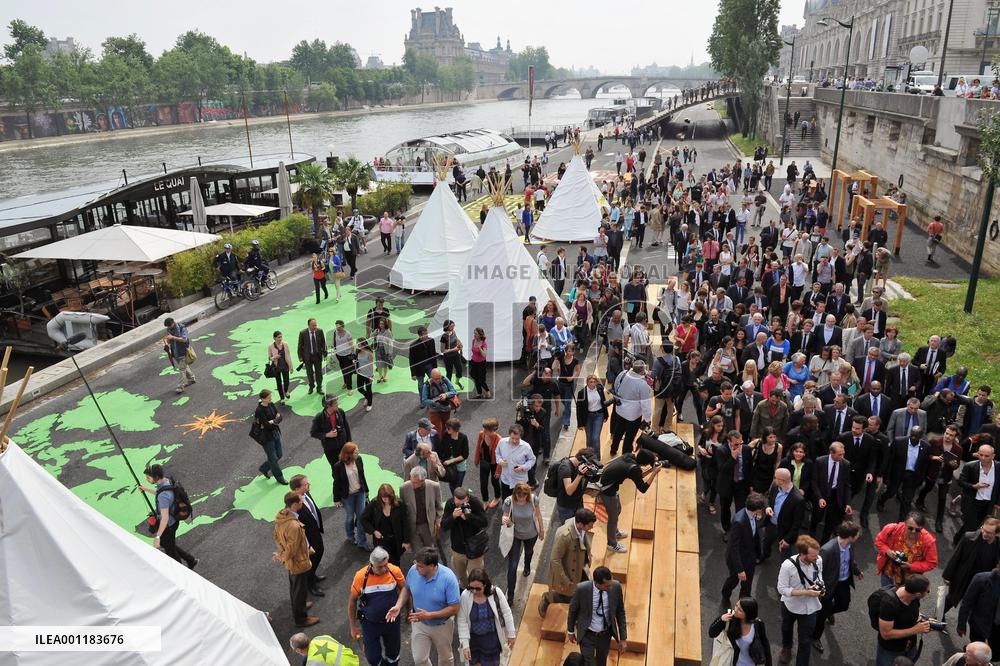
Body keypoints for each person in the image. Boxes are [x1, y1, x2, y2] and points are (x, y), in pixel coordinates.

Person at [387, 547, 461, 666]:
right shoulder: (413, 570)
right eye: (416, 564)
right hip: (419, 623)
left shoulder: (448, 578)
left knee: (446, 658)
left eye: (420, 566)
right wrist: (398, 605)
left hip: (442, 626)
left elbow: (455, 608)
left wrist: (429, 615)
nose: (416, 568)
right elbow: (407, 588)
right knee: (420, 660)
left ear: (432, 566)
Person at [811, 521, 863, 653]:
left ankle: (829, 612)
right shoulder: (827, 550)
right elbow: (817, 570)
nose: (859, 536)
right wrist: (818, 588)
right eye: (857, 535)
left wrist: (857, 571)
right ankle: (815, 637)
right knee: (822, 614)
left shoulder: (850, 545)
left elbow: (851, 560)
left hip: (843, 582)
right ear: (850, 536)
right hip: (829, 585)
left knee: (844, 604)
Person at [349, 547, 405, 666]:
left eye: (386, 564)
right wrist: (353, 627)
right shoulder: (360, 577)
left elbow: (405, 590)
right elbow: (352, 602)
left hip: (392, 623)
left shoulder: (394, 571)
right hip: (370, 625)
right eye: (380, 566)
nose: (384, 569)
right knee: (373, 658)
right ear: (371, 564)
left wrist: (409, 610)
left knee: (394, 654)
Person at [599, 448, 662, 553]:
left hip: (611, 486)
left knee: (618, 509)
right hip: (607, 490)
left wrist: (651, 470)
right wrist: (654, 473)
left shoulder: (629, 457)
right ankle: (612, 543)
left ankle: (614, 532)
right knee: (613, 517)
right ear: (645, 462)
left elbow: (637, 476)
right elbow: (643, 488)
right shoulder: (633, 468)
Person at [539, 508, 597, 618]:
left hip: (581, 567)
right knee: (568, 596)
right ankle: (548, 598)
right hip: (570, 572)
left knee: (582, 591)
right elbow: (555, 560)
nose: (592, 527)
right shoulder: (564, 536)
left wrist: (588, 555)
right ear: (580, 524)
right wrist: (565, 579)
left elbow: (584, 541)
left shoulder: (580, 527)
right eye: (589, 525)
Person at [273, 491, 319, 627]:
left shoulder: (282, 516)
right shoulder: (293, 526)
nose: (302, 502)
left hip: (293, 562)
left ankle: (302, 605)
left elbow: (276, 536)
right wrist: (281, 557)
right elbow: (291, 550)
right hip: (298, 562)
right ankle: (301, 619)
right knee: (298, 590)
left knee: (296, 588)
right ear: (294, 505)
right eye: (300, 501)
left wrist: (281, 555)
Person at [776, 535, 823, 666]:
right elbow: (782, 589)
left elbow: (819, 575)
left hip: (809, 608)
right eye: (813, 555)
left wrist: (819, 585)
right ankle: (787, 648)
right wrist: (807, 592)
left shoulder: (818, 560)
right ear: (802, 554)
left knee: (805, 640)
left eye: (817, 554)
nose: (817, 558)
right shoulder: (787, 566)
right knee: (786, 628)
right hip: (790, 605)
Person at [139, 464, 197, 568]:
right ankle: (190, 560)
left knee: (171, 552)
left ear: (156, 478)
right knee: (168, 544)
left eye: (148, 477)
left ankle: (184, 574)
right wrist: (146, 489)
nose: (146, 479)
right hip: (174, 521)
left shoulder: (163, 496)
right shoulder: (167, 482)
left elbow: (164, 518)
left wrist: (157, 536)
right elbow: (159, 492)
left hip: (168, 526)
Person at [567, 566, 627, 666]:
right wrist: (570, 630)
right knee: (588, 663)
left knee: (602, 661)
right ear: (597, 583)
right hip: (587, 634)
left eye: (611, 583)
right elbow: (573, 610)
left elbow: (620, 612)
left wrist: (623, 638)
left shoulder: (616, 586)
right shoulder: (582, 589)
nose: (610, 587)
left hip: (605, 634)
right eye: (607, 586)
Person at [457, 568, 516, 666]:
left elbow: (507, 613)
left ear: (485, 585)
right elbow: (462, 621)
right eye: (471, 588)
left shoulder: (496, 592)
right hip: (473, 641)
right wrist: (465, 645)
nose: (474, 591)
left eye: (478, 588)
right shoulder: (465, 596)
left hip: (491, 641)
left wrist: (511, 634)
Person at [721, 492, 768, 607]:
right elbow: (733, 548)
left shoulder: (752, 515)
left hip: (750, 557)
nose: (762, 511)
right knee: (733, 580)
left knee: (747, 583)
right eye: (761, 509)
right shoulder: (739, 521)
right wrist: (740, 570)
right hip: (737, 560)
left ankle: (744, 603)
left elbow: (754, 533)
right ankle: (725, 596)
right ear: (756, 509)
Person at [875, 574, 932, 666]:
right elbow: (885, 634)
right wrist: (915, 630)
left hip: (909, 646)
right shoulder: (889, 603)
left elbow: (911, 612)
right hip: (891, 651)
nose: (929, 592)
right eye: (928, 591)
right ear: (918, 594)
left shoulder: (913, 597)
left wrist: (923, 621)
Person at [502, 482, 545, 598]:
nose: (521, 499)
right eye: (519, 496)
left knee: (529, 552)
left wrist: (542, 530)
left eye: (524, 496)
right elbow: (505, 515)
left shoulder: (533, 499)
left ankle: (527, 565)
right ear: (515, 494)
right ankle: (510, 595)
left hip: (531, 534)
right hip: (514, 535)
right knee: (512, 566)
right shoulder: (509, 501)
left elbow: (539, 515)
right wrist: (506, 520)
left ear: (527, 494)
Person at [440, 486, 489, 588]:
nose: (461, 505)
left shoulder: (475, 503)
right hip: (458, 548)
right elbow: (444, 526)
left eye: (463, 502)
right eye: (458, 502)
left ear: (468, 498)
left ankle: (475, 591)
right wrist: (453, 516)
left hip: (475, 547)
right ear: (454, 498)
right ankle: (464, 590)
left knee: (475, 576)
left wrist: (469, 517)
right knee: (461, 575)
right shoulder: (450, 504)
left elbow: (484, 522)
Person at [874, 513, 939, 589]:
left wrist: (911, 566)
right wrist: (887, 551)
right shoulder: (892, 529)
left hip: (909, 578)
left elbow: (931, 563)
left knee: (904, 599)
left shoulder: (928, 541)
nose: (913, 532)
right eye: (910, 528)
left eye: (917, 529)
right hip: (888, 570)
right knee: (886, 596)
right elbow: (879, 541)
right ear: (905, 524)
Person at [708, 596, 773, 666]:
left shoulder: (758, 625)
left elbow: (765, 645)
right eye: (736, 606)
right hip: (730, 662)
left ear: (748, 614)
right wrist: (721, 619)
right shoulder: (730, 618)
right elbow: (712, 633)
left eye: (740, 610)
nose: (735, 610)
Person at [955, 443, 1000, 543]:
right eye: (981, 455)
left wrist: (997, 503)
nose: (983, 458)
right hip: (972, 502)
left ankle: (957, 538)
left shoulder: (998, 467)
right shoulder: (970, 466)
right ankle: (963, 549)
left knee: (975, 525)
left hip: (987, 504)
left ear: (993, 456)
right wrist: (974, 486)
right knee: (972, 529)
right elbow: (961, 482)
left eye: (987, 456)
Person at [810, 442, 854, 545]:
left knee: (830, 523)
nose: (842, 457)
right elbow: (814, 482)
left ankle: (823, 545)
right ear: (831, 452)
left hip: (835, 496)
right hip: (821, 494)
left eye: (843, 454)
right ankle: (811, 537)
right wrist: (819, 498)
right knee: (816, 517)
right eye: (839, 454)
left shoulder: (845, 464)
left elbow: (847, 485)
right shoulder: (820, 461)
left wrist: (847, 503)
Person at [289, 474, 325, 596]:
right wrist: (307, 545)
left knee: (319, 553)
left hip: (315, 532)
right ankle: (311, 585)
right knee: (311, 562)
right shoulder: (294, 506)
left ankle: (313, 575)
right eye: (305, 484)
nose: (308, 485)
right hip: (307, 540)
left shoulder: (305, 494)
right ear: (296, 489)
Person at [609, 360, 653, 456]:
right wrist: (648, 419)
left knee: (618, 430)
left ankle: (613, 449)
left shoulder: (623, 373)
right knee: (630, 435)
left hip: (620, 409)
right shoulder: (642, 384)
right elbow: (646, 404)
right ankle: (626, 454)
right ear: (643, 371)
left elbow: (616, 386)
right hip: (633, 415)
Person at [361, 483, 410, 566]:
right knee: (384, 561)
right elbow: (363, 519)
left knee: (395, 561)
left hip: (396, 539)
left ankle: (394, 576)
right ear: (380, 496)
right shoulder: (374, 504)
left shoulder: (399, 504)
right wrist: (373, 531)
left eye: (389, 498)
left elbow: (405, 523)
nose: (386, 500)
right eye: (384, 498)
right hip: (381, 540)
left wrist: (406, 541)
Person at [333, 442, 370, 551]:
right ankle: (350, 536)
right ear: (348, 454)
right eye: (355, 452)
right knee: (350, 517)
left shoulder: (359, 460)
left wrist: (366, 490)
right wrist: (336, 499)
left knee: (361, 516)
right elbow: (336, 483)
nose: (358, 453)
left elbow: (362, 476)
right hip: (347, 496)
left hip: (360, 493)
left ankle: (361, 541)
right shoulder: (338, 466)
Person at [763, 467, 806, 562]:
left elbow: (797, 523)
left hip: (785, 531)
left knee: (785, 554)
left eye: (775, 477)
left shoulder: (798, 499)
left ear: (781, 481)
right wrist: (768, 507)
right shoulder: (775, 486)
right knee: (766, 543)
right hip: (772, 524)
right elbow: (768, 498)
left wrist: (787, 539)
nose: (774, 479)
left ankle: (786, 570)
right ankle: (764, 556)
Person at [400, 466, 443, 555]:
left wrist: (438, 522)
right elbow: (403, 510)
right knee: (418, 554)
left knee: (430, 551)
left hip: (428, 525)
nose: (412, 484)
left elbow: (439, 507)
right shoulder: (404, 488)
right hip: (413, 526)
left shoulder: (434, 486)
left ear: (423, 481)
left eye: (415, 483)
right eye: (411, 481)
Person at [311, 395, 351, 475]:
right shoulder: (319, 418)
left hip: (343, 445)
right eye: (335, 403)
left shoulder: (340, 412)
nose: (338, 404)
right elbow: (313, 433)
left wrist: (349, 442)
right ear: (328, 406)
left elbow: (346, 427)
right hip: (330, 449)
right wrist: (326, 435)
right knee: (336, 469)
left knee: (348, 464)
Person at [253, 389, 287, 484]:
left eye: (270, 397)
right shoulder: (259, 410)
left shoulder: (271, 404)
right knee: (272, 458)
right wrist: (275, 420)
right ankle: (279, 477)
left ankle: (264, 468)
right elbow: (267, 425)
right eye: (268, 398)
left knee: (279, 455)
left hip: (275, 433)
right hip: (266, 438)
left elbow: (280, 416)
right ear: (262, 399)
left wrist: (273, 421)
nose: (271, 399)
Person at [495, 424, 536, 499]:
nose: (514, 441)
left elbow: (532, 459)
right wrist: (500, 461)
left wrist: (523, 467)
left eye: (517, 439)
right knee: (506, 502)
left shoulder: (526, 446)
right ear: (509, 434)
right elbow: (497, 453)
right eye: (512, 438)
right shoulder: (502, 442)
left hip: (520, 482)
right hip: (506, 480)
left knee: (520, 503)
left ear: (521, 436)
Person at [163, 317, 195, 394]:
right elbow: (169, 340)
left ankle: (180, 387)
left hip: (183, 351)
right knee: (184, 366)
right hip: (175, 352)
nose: (168, 328)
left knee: (182, 369)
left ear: (173, 322)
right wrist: (166, 341)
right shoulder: (169, 330)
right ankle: (191, 378)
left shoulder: (182, 328)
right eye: (167, 327)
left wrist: (173, 337)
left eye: (169, 326)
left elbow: (184, 339)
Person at [422, 369, 457, 436]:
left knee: (446, 428)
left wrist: (446, 395)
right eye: (435, 379)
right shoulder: (426, 385)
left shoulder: (444, 379)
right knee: (437, 430)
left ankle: (444, 443)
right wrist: (434, 402)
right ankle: (438, 444)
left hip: (446, 408)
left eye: (439, 378)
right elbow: (424, 400)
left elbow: (453, 391)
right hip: (434, 410)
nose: (438, 380)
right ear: (431, 378)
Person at [297, 319, 327, 397]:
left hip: (317, 356)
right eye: (313, 325)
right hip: (308, 357)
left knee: (319, 373)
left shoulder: (320, 331)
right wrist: (300, 357)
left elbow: (323, 343)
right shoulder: (303, 333)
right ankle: (311, 386)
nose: (315, 327)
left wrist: (325, 352)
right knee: (309, 373)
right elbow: (300, 346)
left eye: (316, 325)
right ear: (309, 325)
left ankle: (319, 387)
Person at [409, 326, 438, 406]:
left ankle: (433, 397)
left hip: (429, 365)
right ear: (420, 335)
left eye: (427, 333)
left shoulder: (431, 341)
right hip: (419, 368)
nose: (426, 335)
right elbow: (411, 360)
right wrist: (413, 374)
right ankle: (423, 401)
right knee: (421, 385)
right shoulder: (413, 345)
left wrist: (435, 368)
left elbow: (434, 355)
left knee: (434, 382)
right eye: (424, 334)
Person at [332, 320, 356, 397]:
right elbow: (334, 342)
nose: (337, 328)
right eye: (336, 326)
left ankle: (349, 388)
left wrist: (353, 357)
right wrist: (334, 351)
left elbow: (352, 346)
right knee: (343, 370)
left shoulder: (348, 334)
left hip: (347, 355)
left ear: (342, 326)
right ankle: (346, 383)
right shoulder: (335, 332)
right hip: (339, 355)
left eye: (338, 327)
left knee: (348, 372)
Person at [268, 331, 292, 404]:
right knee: (278, 383)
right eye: (278, 337)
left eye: (281, 337)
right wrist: (274, 357)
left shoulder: (285, 344)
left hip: (285, 366)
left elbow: (288, 355)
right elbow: (269, 358)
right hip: (276, 367)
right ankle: (282, 398)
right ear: (274, 338)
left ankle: (286, 391)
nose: (280, 338)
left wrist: (291, 366)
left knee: (286, 381)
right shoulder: (270, 346)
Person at [440, 320, 465, 390]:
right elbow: (442, 350)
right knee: (449, 373)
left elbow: (456, 340)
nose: (453, 327)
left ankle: (457, 382)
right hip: (448, 357)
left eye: (453, 326)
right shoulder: (444, 337)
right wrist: (453, 349)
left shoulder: (453, 332)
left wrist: (460, 344)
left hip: (456, 355)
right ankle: (449, 388)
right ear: (447, 326)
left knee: (459, 369)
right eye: (452, 326)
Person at [469, 328, 491, 399]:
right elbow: (473, 350)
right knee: (474, 376)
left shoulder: (483, 343)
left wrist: (480, 348)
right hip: (473, 362)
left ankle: (487, 391)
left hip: (481, 363)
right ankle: (479, 393)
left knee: (481, 379)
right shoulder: (473, 341)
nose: (474, 335)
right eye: (474, 333)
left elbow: (484, 355)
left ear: (480, 335)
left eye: (476, 333)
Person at [355, 338, 374, 412]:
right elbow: (357, 360)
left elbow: (372, 364)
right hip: (360, 373)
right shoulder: (357, 351)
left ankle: (370, 404)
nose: (357, 344)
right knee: (360, 389)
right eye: (357, 343)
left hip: (368, 374)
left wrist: (371, 375)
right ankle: (367, 397)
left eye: (359, 343)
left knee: (369, 389)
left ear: (363, 344)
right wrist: (355, 361)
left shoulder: (369, 352)